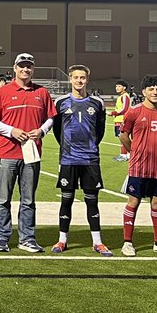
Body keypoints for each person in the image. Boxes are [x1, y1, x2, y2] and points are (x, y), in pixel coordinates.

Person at [0, 53, 56, 253]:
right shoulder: (2, 92)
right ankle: (1, 238)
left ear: (33, 69)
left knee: (28, 200)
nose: (25, 70)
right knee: (3, 199)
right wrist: (11, 131)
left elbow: (50, 118)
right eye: (22, 66)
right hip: (7, 152)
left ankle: (27, 238)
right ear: (15, 68)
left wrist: (41, 130)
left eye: (29, 67)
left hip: (31, 154)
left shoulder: (42, 92)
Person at [50, 65, 113, 256]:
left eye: (83, 78)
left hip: (90, 159)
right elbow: (57, 130)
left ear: (87, 79)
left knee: (92, 201)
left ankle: (97, 242)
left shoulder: (97, 103)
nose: (79, 81)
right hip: (68, 159)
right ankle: (62, 240)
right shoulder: (60, 102)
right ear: (70, 79)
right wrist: (67, 148)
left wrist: (90, 146)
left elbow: (100, 130)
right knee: (66, 200)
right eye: (76, 77)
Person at [118, 74, 157, 257]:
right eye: (151, 89)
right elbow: (123, 135)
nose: (155, 92)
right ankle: (127, 243)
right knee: (133, 201)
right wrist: (135, 152)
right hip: (139, 167)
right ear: (144, 91)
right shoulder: (134, 112)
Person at [109, 79, 131, 160]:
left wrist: (113, 113)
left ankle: (124, 155)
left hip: (122, 120)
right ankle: (127, 154)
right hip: (119, 120)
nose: (117, 88)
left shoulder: (125, 96)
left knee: (123, 138)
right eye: (116, 86)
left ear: (124, 88)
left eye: (119, 86)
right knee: (122, 138)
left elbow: (124, 109)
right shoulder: (121, 96)